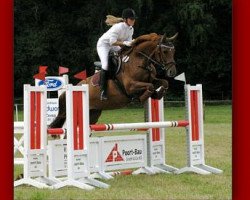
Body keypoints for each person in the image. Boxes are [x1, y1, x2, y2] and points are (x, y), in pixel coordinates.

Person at [97, 8, 137, 101]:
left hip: (116, 45)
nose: (133, 20)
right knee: (106, 65)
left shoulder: (131, 29)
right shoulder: (118, 27)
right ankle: (103, 91)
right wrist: (125, 43)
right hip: (104, 45)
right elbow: (112, 42)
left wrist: (132, 43)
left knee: (126, 59)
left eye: (134, 19)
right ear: (125, 19)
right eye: (131, 19)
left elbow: (128, 43)